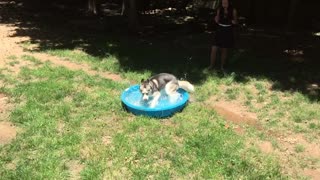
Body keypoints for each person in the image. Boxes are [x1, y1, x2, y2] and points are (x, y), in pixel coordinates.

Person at [208, 0, 238, 70]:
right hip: (219, 30)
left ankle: (222, 66)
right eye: (223, 3)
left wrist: (234, 21)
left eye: (226, 2)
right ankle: (211, 66)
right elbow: (217, 19)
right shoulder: (219, 9)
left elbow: (236, 22)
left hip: (227, 31)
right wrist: (216, 19)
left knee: (224, 49)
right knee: (214, 48)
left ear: (229, 2)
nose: (224, 4)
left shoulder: (233, 10)